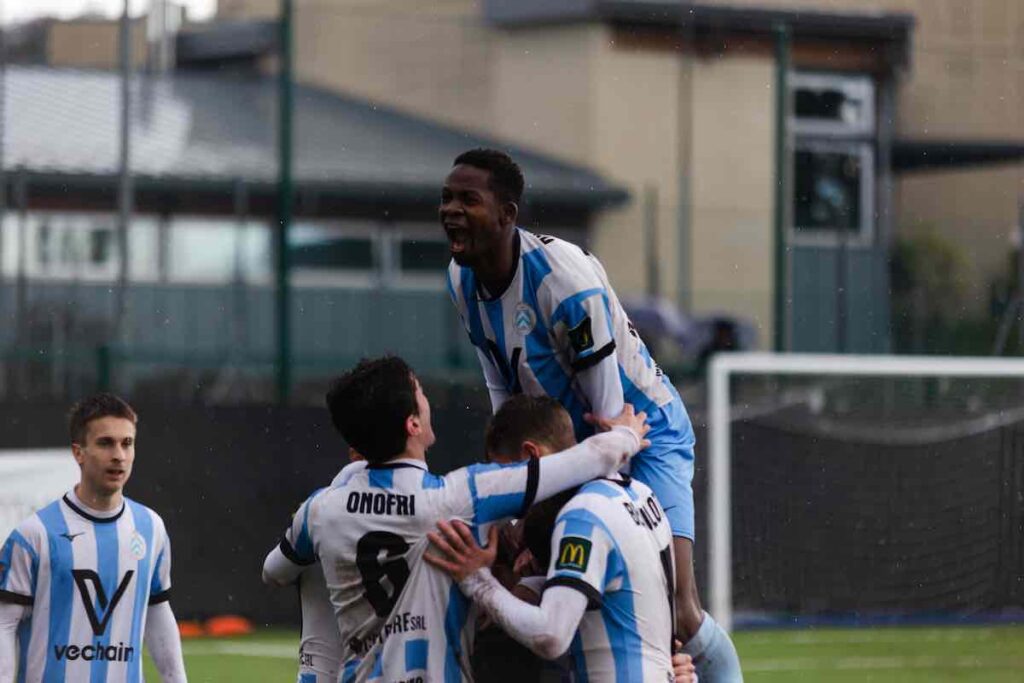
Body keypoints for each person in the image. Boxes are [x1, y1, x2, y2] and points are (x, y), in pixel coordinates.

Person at [442, 148, 742, 681]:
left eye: (469, 199)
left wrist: (576, 512)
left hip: (641, 435)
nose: (451, 210)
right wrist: (515, 492)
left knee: (677, 607)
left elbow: (611, 415)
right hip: (570, 446)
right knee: (523, 579)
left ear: (509, 215)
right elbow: (500, 388)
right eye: (447, 199)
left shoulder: (564, 281)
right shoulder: (461, 279)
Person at [261, 355, 649, 681]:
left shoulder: (320, 510)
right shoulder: (457, 498)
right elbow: (591, 457)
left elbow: (274, 572)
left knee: (308, 568)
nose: (426, 400)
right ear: (412, 424)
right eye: (421, 394)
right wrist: (628, 434)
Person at [435, 394, 696, 682]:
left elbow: (550, 636)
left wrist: (477, 581)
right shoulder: (641, 494)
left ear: (530, 456)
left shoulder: (582, 516)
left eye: (506, 476)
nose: (508, 498)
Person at [0, 393, 187, 683]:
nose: (119, 455)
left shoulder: (151, 528)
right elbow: (4, 624)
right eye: (105, 443)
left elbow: (157, 611)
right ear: (78, 452)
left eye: (127, 443)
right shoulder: (33, 535)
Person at [261, 451, 367, 682]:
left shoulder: (319, 507)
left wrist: (304, 536)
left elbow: (273, 572)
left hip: (321, 670)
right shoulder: (427, 503)